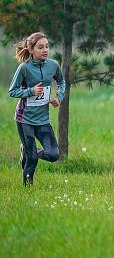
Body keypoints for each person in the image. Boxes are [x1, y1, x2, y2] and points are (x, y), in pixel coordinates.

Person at [8, 32, 65, 186]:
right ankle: (28, 187)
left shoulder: (53, 65)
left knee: (53, 155)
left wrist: (58, 98)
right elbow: (12, 91)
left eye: (47, 46)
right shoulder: (24, 68)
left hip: (43, 121)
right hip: (24, 119)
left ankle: (26, 150)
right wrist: (30, 91)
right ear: (31, 49)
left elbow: (62, 82)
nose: (45, 50)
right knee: (32, 159)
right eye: (40, 47)